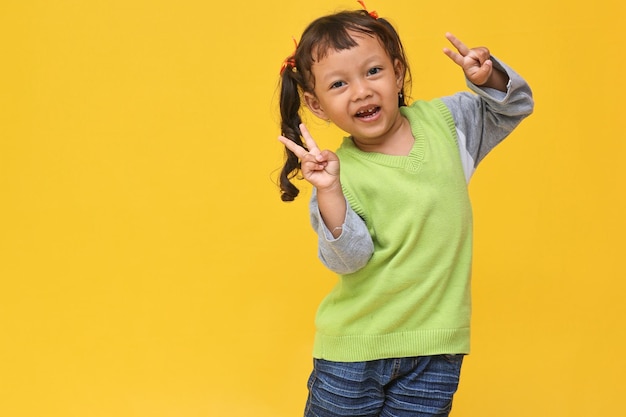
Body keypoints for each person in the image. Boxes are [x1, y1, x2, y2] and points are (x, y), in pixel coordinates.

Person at [275, 4, 533, 417]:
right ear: (316, 104)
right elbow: (351, 259)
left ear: (398, 72)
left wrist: (489, 78)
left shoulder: (447, 124)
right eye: (339, 83)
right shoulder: (336, 176)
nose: (361, 90)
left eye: (373, 71)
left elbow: (511, 106)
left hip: (436, 349)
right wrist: (330, 192)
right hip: (353, 351)